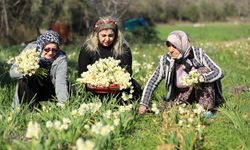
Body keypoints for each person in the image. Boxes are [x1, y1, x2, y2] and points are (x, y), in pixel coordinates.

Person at [139, 30, 224, 116]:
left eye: (174, 46)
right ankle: (186, 107)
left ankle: (206, 110)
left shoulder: (197, 54)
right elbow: (152, 81)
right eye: (168, 45)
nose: (171, 50)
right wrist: (144, 104)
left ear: (182, 45)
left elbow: (219, 72)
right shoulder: (166, 60)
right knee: (168, 110)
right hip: (181, 96)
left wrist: (201, 77)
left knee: (203, 70)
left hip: (199, 92)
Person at [78, 16, 142, 100]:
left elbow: (128, 72)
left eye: (111, 35)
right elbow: (82, 73)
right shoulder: (88, 49)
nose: (107, 39)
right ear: (97, 34)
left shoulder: (123, 49)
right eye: (103, 35)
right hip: (94, 88)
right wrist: (90, 82)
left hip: (118, 88)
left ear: (116, 35)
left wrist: (115, 80)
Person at [10, 30, 69, 108]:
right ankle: (31, 109)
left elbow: (60, 82)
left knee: (69, 87)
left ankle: (55, 107)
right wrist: (28, 70)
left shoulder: (61, 58)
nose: (50, 52)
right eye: (47, 49)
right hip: (33, 88)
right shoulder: (30, 51)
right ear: (41, 47)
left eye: (54, 50)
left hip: (50, 88)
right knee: (24, 81)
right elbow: (12, 73)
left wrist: (63, 104)